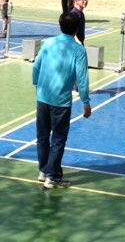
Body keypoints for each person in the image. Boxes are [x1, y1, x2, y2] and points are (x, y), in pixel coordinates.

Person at [33, 12, 92, 189]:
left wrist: (37, 85)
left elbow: (36, 66)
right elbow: (82, 78)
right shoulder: (79, 50)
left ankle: (43, 171)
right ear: (76, 29)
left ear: (60, 26)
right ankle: (53, 177)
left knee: (42, 136)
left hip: (43, 97)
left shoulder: (48, 43)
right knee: (58, 139)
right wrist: (86, 101)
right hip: (61, 102)